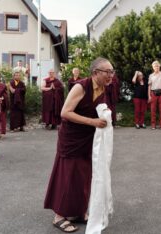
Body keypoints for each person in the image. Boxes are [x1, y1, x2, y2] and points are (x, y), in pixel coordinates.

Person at [44, 57, 114, 233]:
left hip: (88, 138)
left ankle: (78, 212)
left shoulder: (104, 89)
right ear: (95, 72)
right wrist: (93, 122)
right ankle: (59, 216)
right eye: (107, 72)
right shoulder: (81, 87)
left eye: (112, 72)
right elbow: (65, 113)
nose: (111, 75)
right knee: (68, 176)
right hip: (72, 138)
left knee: (84, 176)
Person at [148, 60, 161, 130]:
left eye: (157, 66)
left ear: (159, 66)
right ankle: (153, 124)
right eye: (154, 66)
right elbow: (149, 86)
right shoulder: (151, 76)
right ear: (153, 67)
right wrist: (149, 96)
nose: (156, 67)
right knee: (153, 109)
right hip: (153, 93)